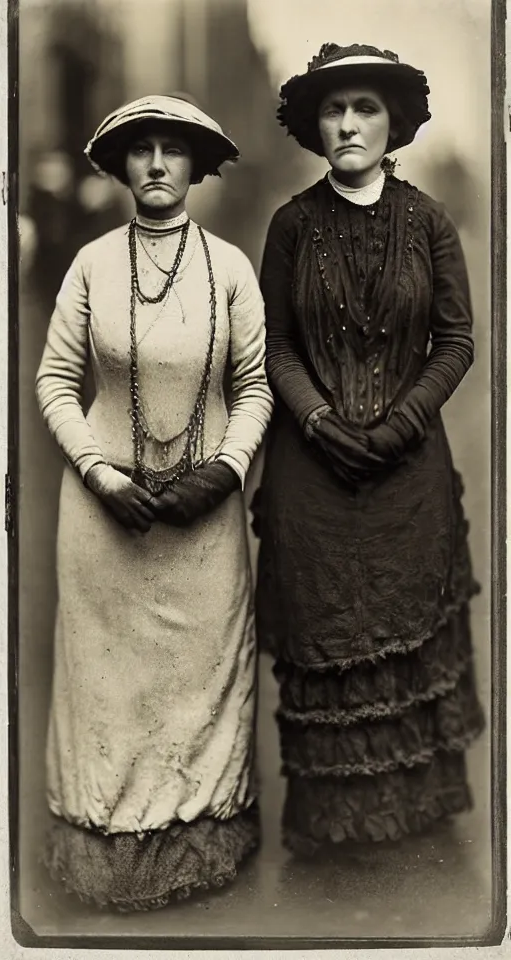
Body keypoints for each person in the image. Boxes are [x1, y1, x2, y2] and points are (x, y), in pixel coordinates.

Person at [36, 95, 273, 909]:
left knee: (201, 685)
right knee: (109, 690)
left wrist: (228, 468)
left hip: (205, 522)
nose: (159, 165)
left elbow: (254, 387)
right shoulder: (93, 265)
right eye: (142, 151)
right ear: (122, 165)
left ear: (200, 167)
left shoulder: (232, 268)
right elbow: (55, 383)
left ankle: (203, 840)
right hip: (104, 521)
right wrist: (103, 476)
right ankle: (103, 853)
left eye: (175, 151)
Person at [253, 44, 485, 858]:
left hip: (409, 470)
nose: (348, 124)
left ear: (393, 125)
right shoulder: (291, 224)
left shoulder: (428, 224)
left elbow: (456, 339)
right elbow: (275, 346)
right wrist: (317, 419)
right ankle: (334, 826)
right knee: (327, 641)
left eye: (365, 110)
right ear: (315, 127)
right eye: (333, 111)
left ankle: (412, 821)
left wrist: (402, 421)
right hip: (310, 479)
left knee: (409, 626)